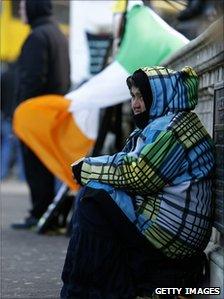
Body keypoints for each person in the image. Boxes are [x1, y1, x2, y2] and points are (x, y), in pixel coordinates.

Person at [61, 66, 215, 298]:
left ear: (161, 95)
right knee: (95, 195)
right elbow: (128, 163)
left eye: (141, 96)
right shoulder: (165, 123)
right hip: (169, 230)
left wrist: (88, 168)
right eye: (133, 96)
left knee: (93, 199)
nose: (135, 104)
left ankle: (84, 292)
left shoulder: (173, 130)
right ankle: (85, 290)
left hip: (171, 236)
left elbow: (139, 174)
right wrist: (91, 171)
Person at [12, 0, 70, 229]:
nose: (20, 10)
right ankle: (48, 211)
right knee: (46, 163)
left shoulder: (37, 37)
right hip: (53, 110)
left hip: (35, 113)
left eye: (24, 7)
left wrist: (20, 110)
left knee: (35, 165)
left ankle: (40, 212)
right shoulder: (56, 33)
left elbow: (31, 80)